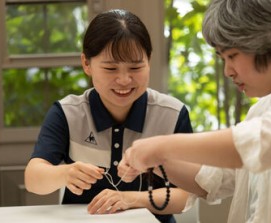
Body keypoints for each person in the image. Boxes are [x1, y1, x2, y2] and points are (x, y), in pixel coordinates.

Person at [118, 0, 271, 222]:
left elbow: (258, 141)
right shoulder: (262, 109)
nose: (228, 71)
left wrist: (159, 147)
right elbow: (216, 179)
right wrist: (155, 161)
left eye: (232, 56)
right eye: (222, 59)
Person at [24, 9, 192, 223]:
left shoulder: (173, 115)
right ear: (87, 64)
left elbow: (185, 196)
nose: (124, 79)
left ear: (149, 61)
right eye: (111, 68)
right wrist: (64, 174)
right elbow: (33, 178)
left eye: (135, 67)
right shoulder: (67, 113)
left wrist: (130, 199)